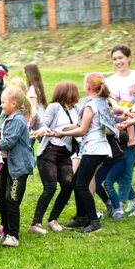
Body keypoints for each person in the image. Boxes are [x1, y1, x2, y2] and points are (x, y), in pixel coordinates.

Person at [51, 73, 118, 233]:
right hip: (99, 148)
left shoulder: (90, 105)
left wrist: (63, 134)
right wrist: (63, 128)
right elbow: (81, 124)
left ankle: (93, 222)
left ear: (88, 86)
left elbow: (82, 130)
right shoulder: (101, 102)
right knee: (76, 181)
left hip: (94, 149)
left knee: (81, 185)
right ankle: (82, 217)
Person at [30, 82, 79, 233]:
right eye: (75, 92)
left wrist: (64, 130)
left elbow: (81, 126)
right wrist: (47, 131)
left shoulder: (77, 109)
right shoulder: (55, 107)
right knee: (50, 187)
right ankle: (35, 224)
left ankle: (53, 219)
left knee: (68, 185)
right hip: (49, 153)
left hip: (65, 153)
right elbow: (43, 125)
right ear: (68, 93)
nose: (78, 95)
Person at [106, 44, 135, 213]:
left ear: (129, 58)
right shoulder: (109, 81)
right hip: (116, 129)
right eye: (115, 59)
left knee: (128, 166)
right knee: (118, 166)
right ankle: (133, 198)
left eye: (121, 58)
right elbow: (109, 104)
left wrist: (129, 116)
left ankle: (120, 204)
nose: (118, 62)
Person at [0, 88, 35, 247]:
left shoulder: (18, 120)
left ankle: (13, 235)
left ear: (14, 104)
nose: (1, 105)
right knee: (2, 200)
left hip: (18, 167)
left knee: (11, 199)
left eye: (3, 102)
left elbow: (8, 141)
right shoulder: (4, 116)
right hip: (5, 165)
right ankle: (5, 232)